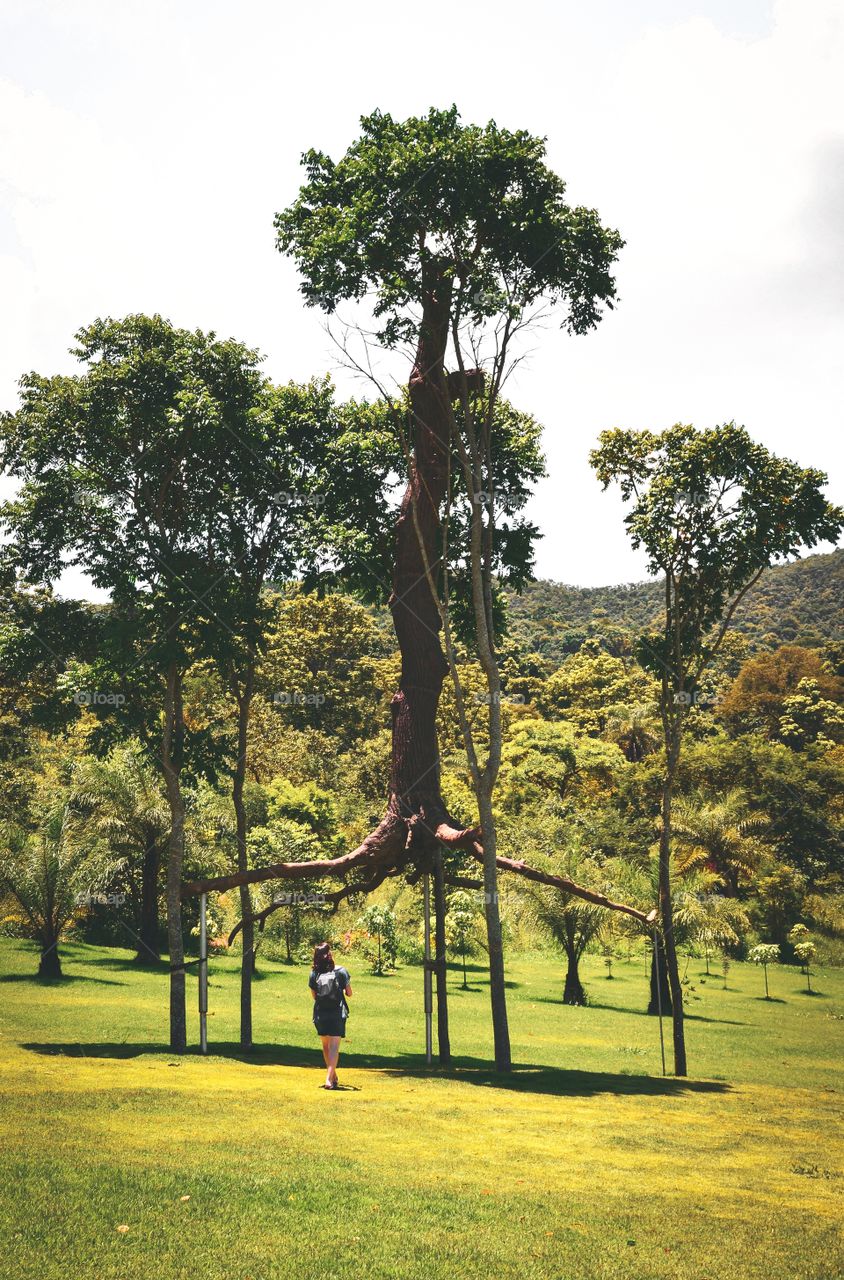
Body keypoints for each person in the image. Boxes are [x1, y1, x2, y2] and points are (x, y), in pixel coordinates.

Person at [308, 943, 352, 1090]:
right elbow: (349, 993)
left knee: (326, 1046)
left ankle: (333, 1076)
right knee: (334, 1047)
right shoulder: (341, 971)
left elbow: (314, 996)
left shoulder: (314, 973)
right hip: (337, 1013)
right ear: (330, 954)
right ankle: (328, 1078)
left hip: (321, 1012)